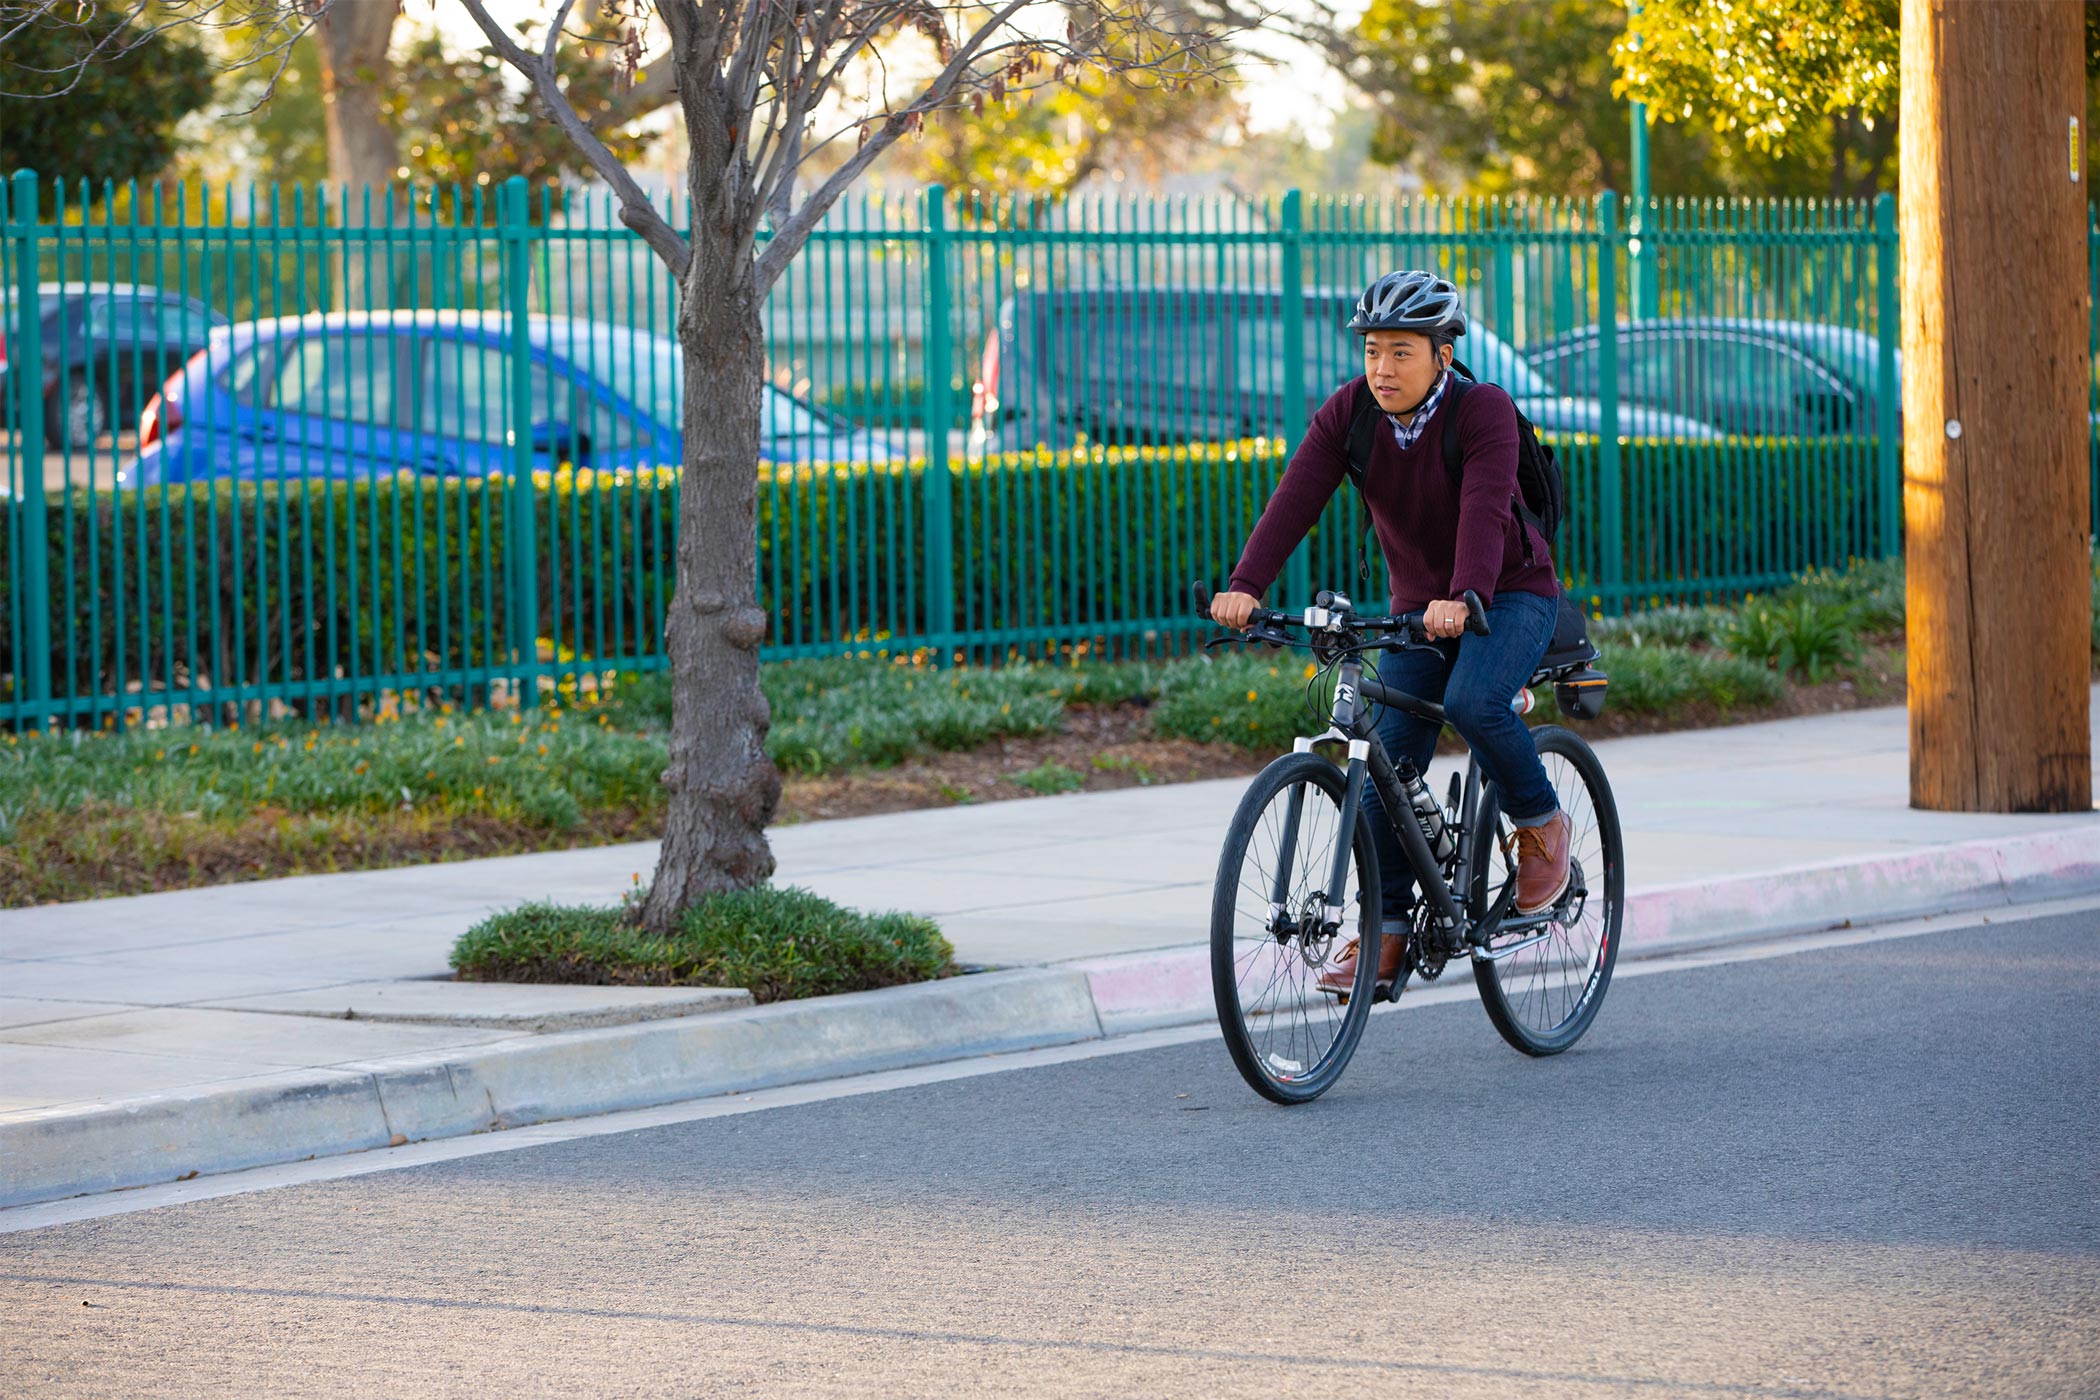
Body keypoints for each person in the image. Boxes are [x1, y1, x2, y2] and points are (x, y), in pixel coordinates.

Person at [1209, 269, 1572, 990]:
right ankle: (1389, 932)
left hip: (1508, 594)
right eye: (1372, 350)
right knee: (1380, 762)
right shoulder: (1350, 414)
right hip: (1418, 610)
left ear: (1442, 352)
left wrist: (1467, 594)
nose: (1381, 368)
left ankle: (1540, 824)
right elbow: (1296, 497)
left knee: (1474, 703)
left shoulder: (1482, 410)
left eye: (1401, 351)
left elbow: (1486, 506)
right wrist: (1246, 585)